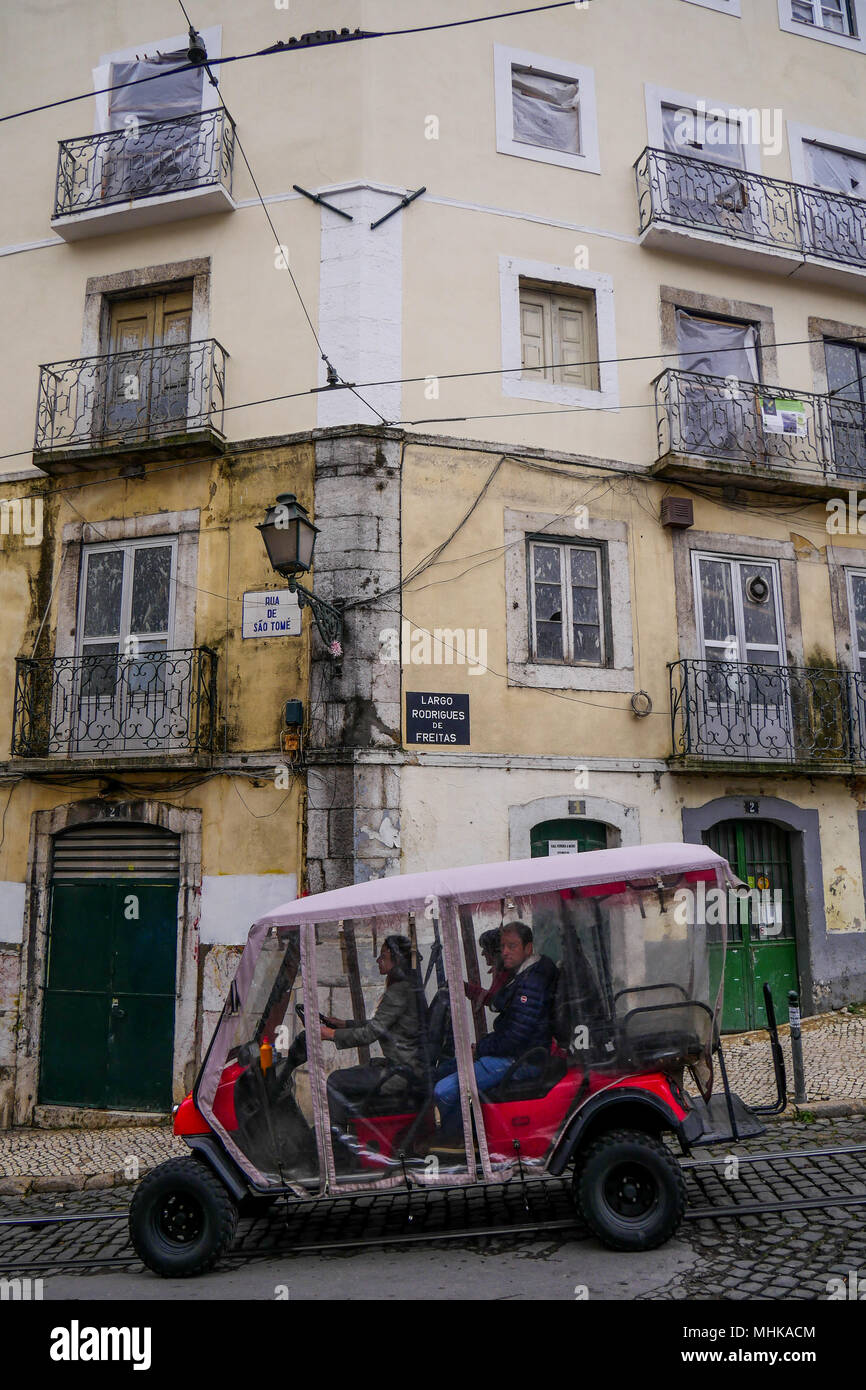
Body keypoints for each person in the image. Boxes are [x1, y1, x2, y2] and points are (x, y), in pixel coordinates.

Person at [432, 922, 555, 1136]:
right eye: (503, 946)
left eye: (512, 946)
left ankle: (456, 1146)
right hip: (515, 1053)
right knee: (444, 1070)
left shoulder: (530, 983)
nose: (505, 952)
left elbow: (515, 1037)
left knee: (443, 1090)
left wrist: (480, 1049)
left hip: (521, 1059)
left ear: (528, 948)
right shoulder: (521, 975)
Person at [321, 934, 424, 1133]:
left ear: (397, 960)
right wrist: (343, 1024)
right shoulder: (406, 987)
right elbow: (381, 1024)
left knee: (335, 1081)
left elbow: (371, 1033)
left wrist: (330, 1034)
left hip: (402, 1074)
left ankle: (339, 1146)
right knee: (357, 1071)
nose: (378, 960)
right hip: (407, 1068)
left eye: (383, 956)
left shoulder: (399, 991)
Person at [464, 927, 510, 1010]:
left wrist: (466, 988)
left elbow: (494, 1000)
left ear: (496, 952)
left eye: (485, 949)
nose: (482, 953)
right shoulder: (503, 970)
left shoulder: (508, 972)